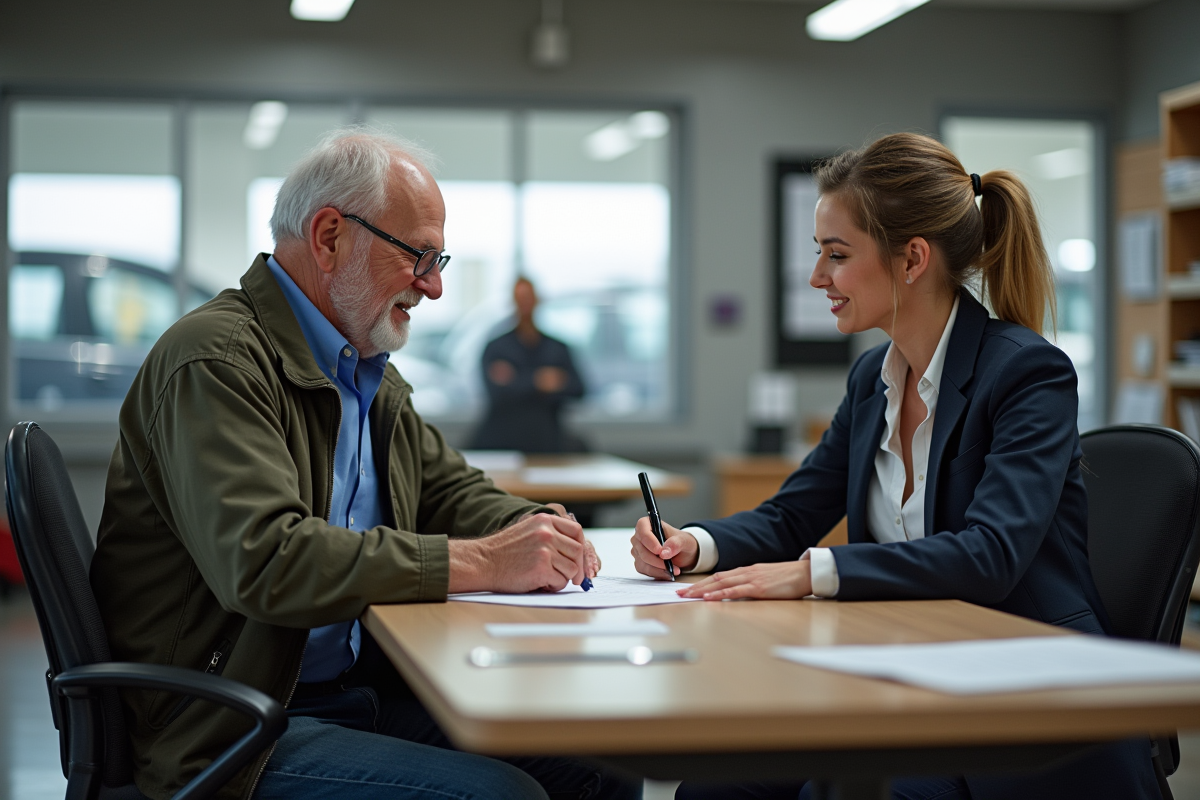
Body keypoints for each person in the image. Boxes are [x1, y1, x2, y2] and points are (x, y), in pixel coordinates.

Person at [91, 130, 639, 800]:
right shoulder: (218, 361)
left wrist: (536, 531)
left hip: (345, 692)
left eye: (439, 260)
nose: (434, 287)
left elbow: (450, 489)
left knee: (601, 771)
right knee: (502, 796)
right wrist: (489, 562)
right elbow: (267, 561)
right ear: (329, 238)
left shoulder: (363, 370)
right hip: (233, 721)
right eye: (419, 257)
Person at [629, 133, 1161, 800]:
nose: (819, 277)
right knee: (715, 788)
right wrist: (695, 544)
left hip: (1018, 698)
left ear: (912, 259)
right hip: (907, 674)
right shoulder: (870, 382)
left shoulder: (1025, 373)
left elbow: (990, 554)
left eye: (836, 255)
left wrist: (812, 574)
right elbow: (796, 512)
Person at [469, 276, 587, 454]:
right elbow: (496, 393)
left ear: (537, 299)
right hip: (502, 442)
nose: (525, 303)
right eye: (520, 298)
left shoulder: (557, 348)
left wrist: (516, 380)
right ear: (513, 301)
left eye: (528, 297)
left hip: (548, 441)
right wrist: (540, 381)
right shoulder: (497, 347)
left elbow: (578, 389)